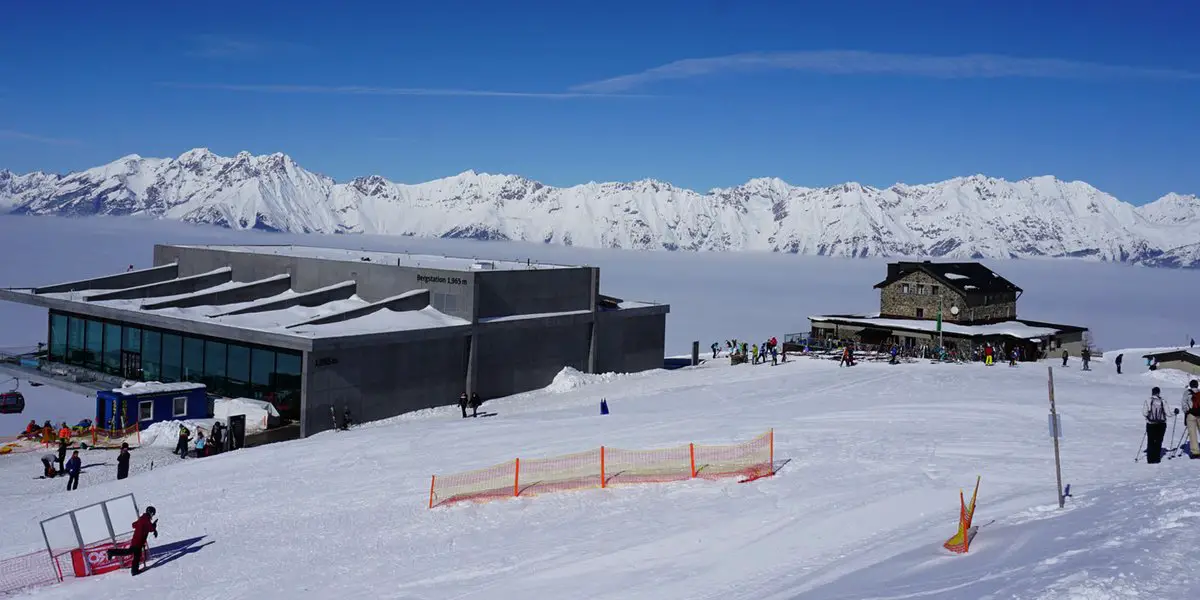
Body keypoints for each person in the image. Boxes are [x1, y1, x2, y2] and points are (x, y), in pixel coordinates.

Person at [107, 506, 157, 576]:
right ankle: (111, 552)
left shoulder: (143, 518)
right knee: (129, 552)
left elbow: (134, 525)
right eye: (153, 514)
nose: (153, 515)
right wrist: (154, 526)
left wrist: (144, 526)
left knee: (137, 556)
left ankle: (134, 570)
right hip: (138, 541)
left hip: (137, 540)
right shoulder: (146, 519)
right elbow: (150, 528)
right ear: (151, 513)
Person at [1144, 387, 1168, 463]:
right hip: (1161, 424)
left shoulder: (1148, 400)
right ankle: (1157, 458)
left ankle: (1150, 459)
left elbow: (1144, 412)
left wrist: (1148, 417)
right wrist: (1175, 413)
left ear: (1152, 392)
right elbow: (1168, 413)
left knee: (1150, 440)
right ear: (1159, 393)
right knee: (1159, 440)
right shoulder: (1163, 401)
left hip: (1151, 424)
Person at [1183, 380, 1200, 459]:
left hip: (1191, 415)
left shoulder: (1187, 393)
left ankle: (1195, 452)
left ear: (1190, 385)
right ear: (1197, 385)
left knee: (1192, 434)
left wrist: (1187, 411)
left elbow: (1184, 404)